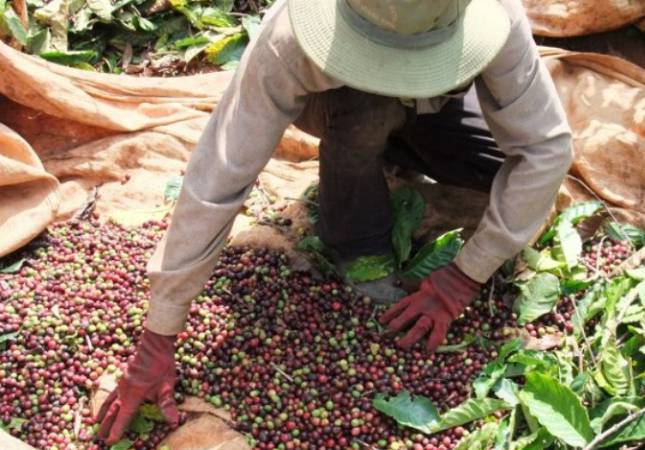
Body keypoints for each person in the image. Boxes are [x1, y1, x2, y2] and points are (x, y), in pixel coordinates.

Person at [96, 0, 572, 443]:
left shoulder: (491, 15)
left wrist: (465, 276)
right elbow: (218, 176)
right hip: (340, 103)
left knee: (497, 169)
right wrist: (160, 331)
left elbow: (545, 149)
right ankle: (357, 239)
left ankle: (386, 152)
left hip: (436, 100)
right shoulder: (289, 38)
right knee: (369, 113)